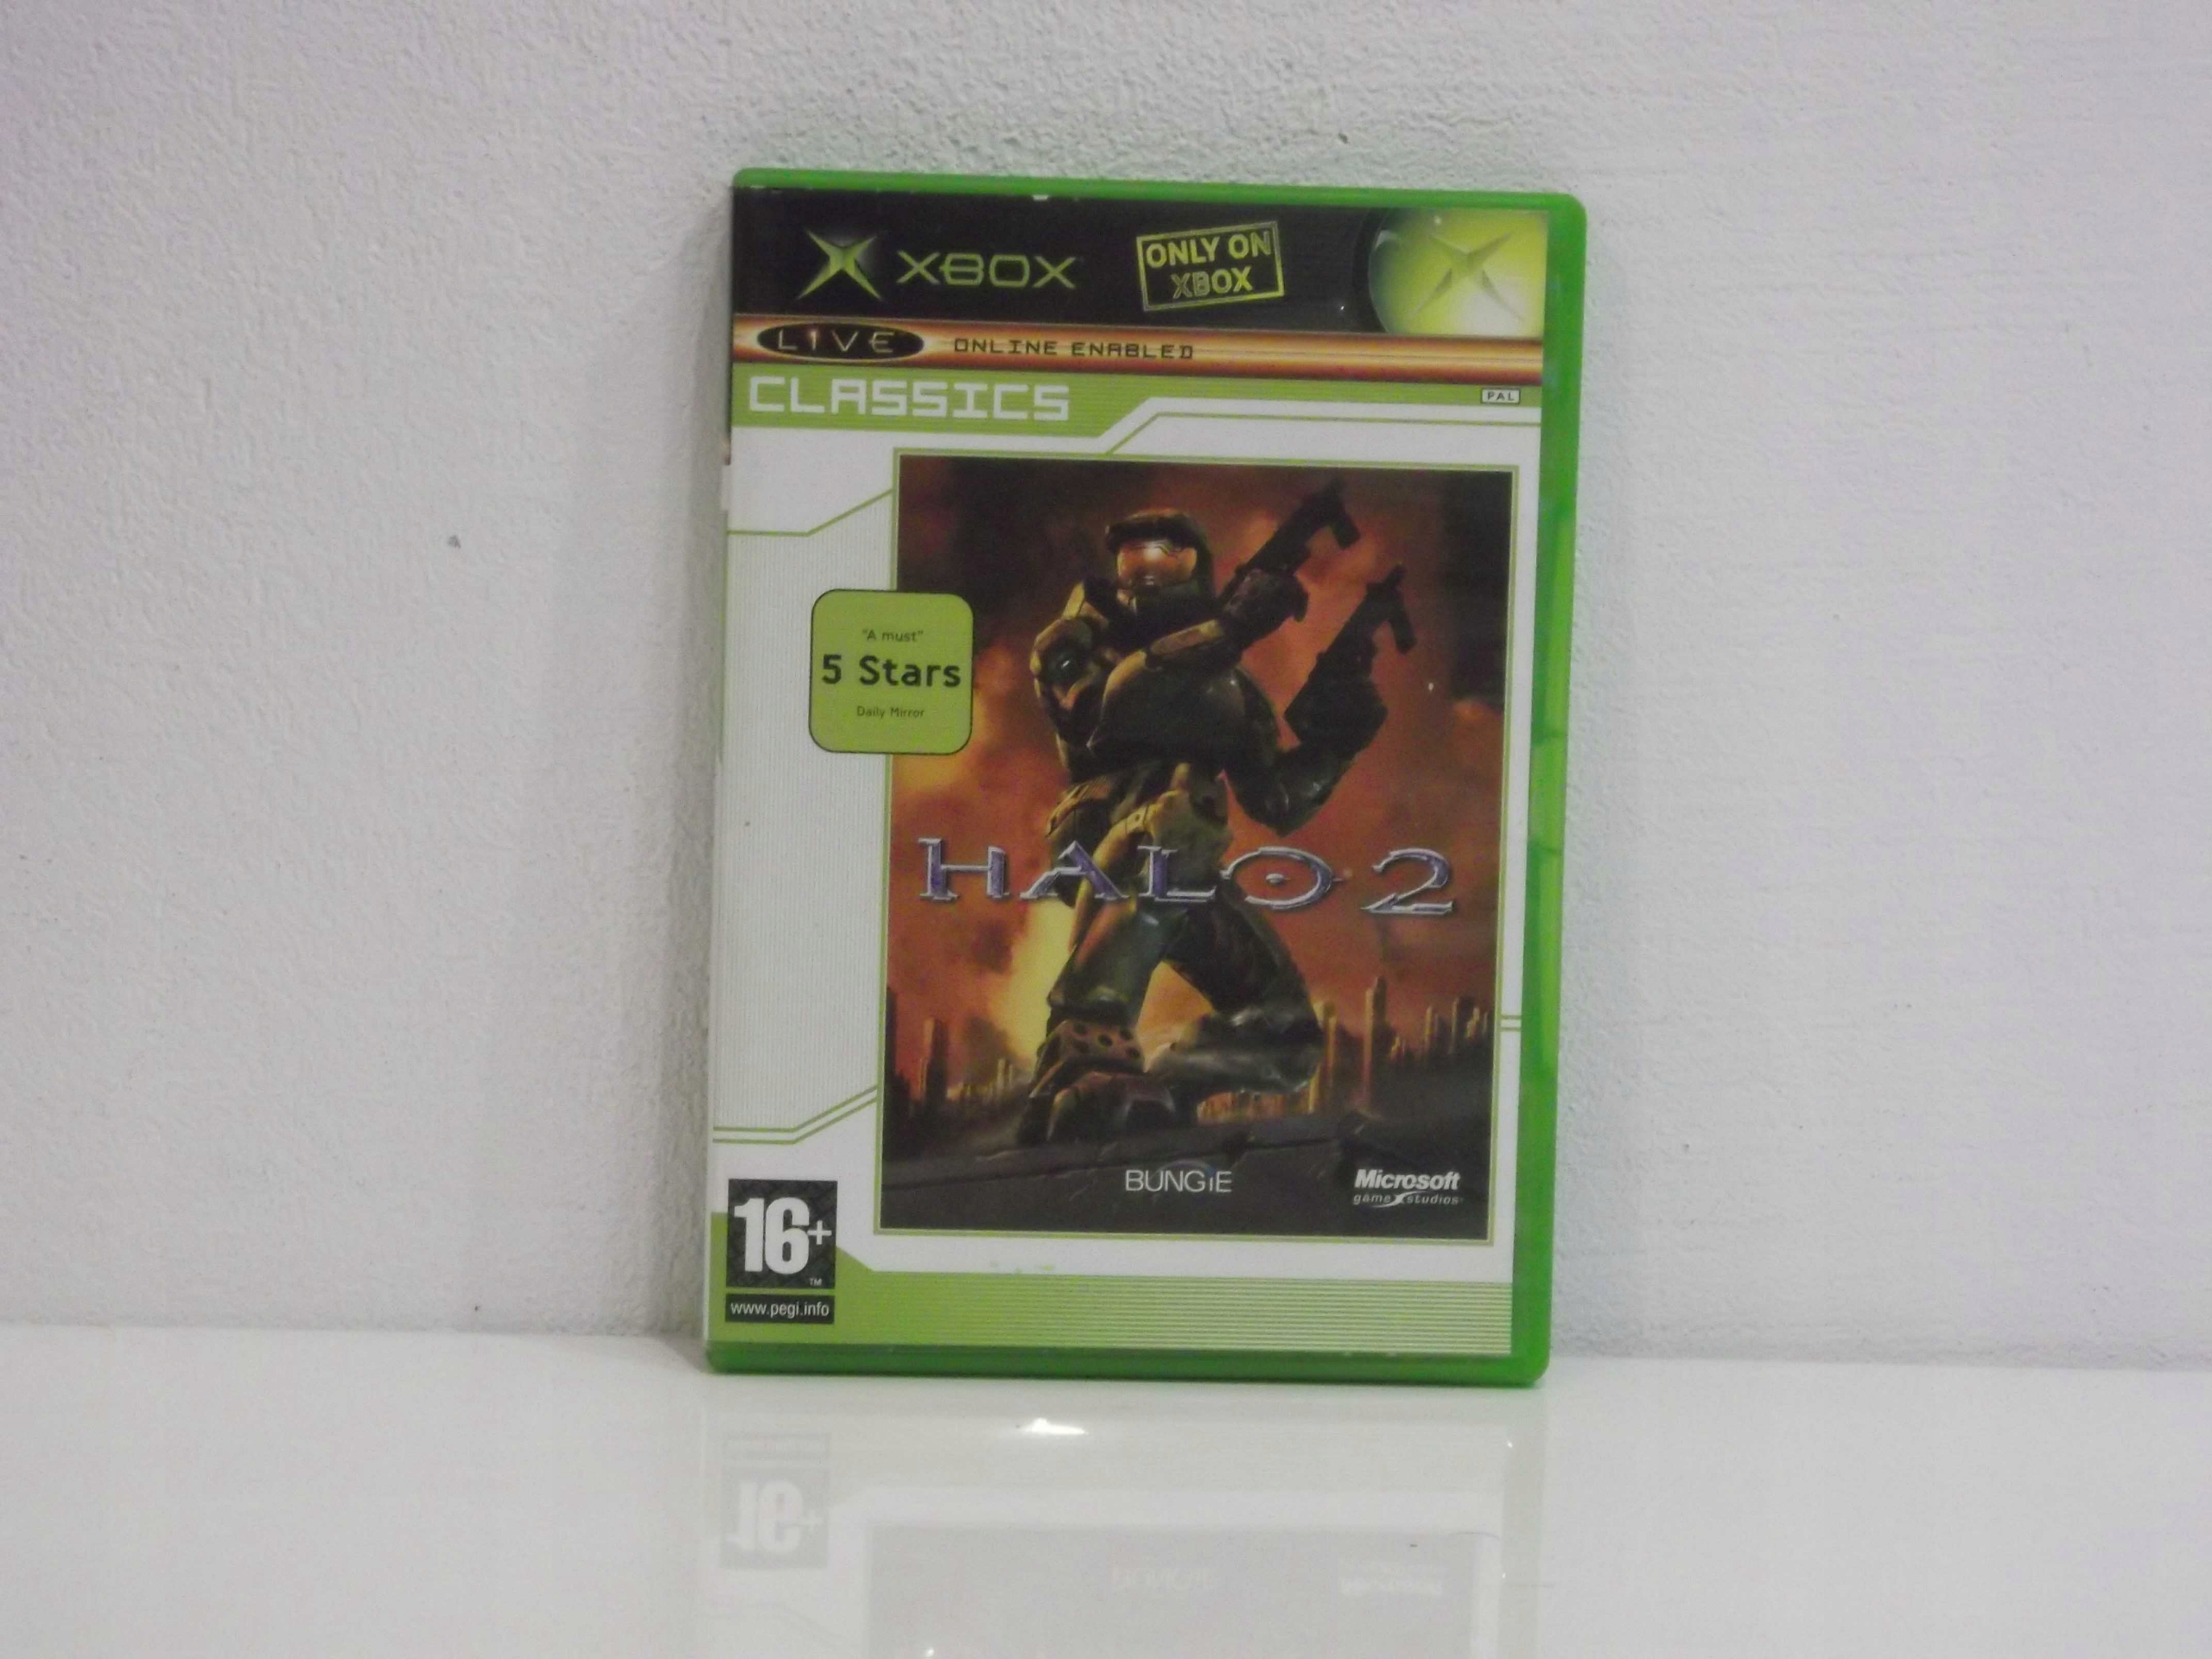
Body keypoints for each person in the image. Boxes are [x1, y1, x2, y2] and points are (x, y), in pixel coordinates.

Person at [1016, 499, 1389, 1144]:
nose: (1148, 571)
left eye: (1168, 557)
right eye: (1134, 558)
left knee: (1286, 1039)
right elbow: (1102, 712)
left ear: (1200, 569)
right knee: (1180, 815)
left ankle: (1166, 1086)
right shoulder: (1077, 638)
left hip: (1185, 859)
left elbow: (1276, 801)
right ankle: (1081, 1051)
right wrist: (1229, 630)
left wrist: (1336, 744)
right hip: (1104, 838)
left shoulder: (1230, 688)